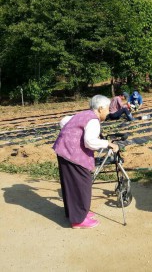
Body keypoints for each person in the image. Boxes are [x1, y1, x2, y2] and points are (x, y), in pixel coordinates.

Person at [53, 95, 119, 229]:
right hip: (73, 155)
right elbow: (89, 142)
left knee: (71, 185)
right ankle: (78, 220)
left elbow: (63, 121)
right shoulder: (93, 120)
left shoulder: (84, 114)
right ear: (100, 109)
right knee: (82, 184)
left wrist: (71, 135)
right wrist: (108, 144)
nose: (109, 112)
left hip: (63, 151)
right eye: (107, 109)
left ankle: (76, 214)